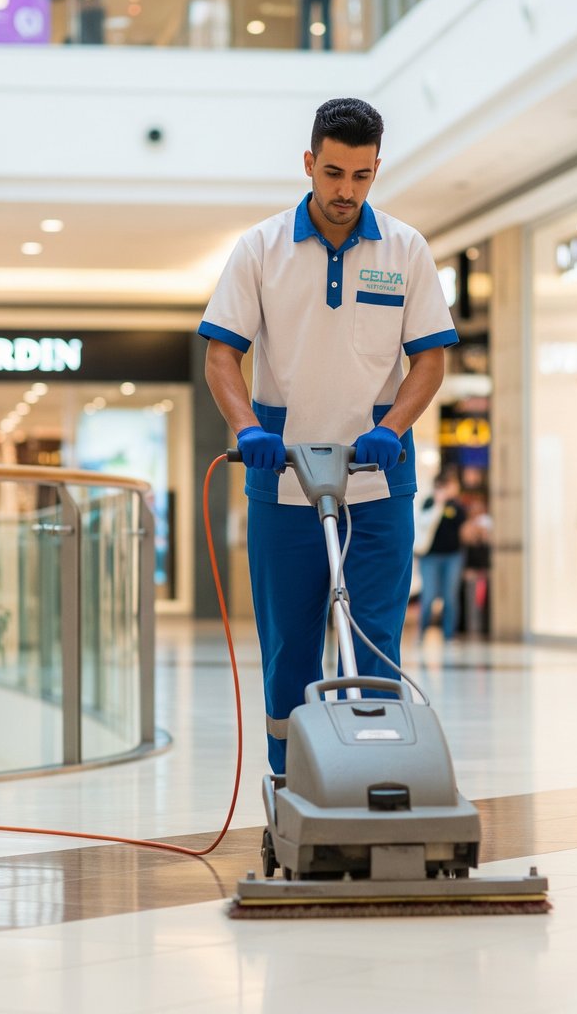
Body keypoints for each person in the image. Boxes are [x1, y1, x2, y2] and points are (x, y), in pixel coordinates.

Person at [199, 97, 457, 773]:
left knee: (372, 643)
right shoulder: (261, 249)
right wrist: (247, 427)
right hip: (281, 480)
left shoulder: (405, 249)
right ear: (310, 163)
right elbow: (222, 353)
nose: (346, 191)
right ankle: (291, 786)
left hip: (378, 483)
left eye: (362, 176)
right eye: (335, 172)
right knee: (289, 649)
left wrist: (394, 427)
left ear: (377, 170)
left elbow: (430, 358)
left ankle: (373, 780)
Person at [415, 467, 468, 641]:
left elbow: (464, 529)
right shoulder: (429, 502)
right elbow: (422, 523)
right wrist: (438, 504)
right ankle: (422, 632)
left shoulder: (458, 506)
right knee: (429, 595)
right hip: (429, 557)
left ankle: (448, 635)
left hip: (453, 556)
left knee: (450, 596)